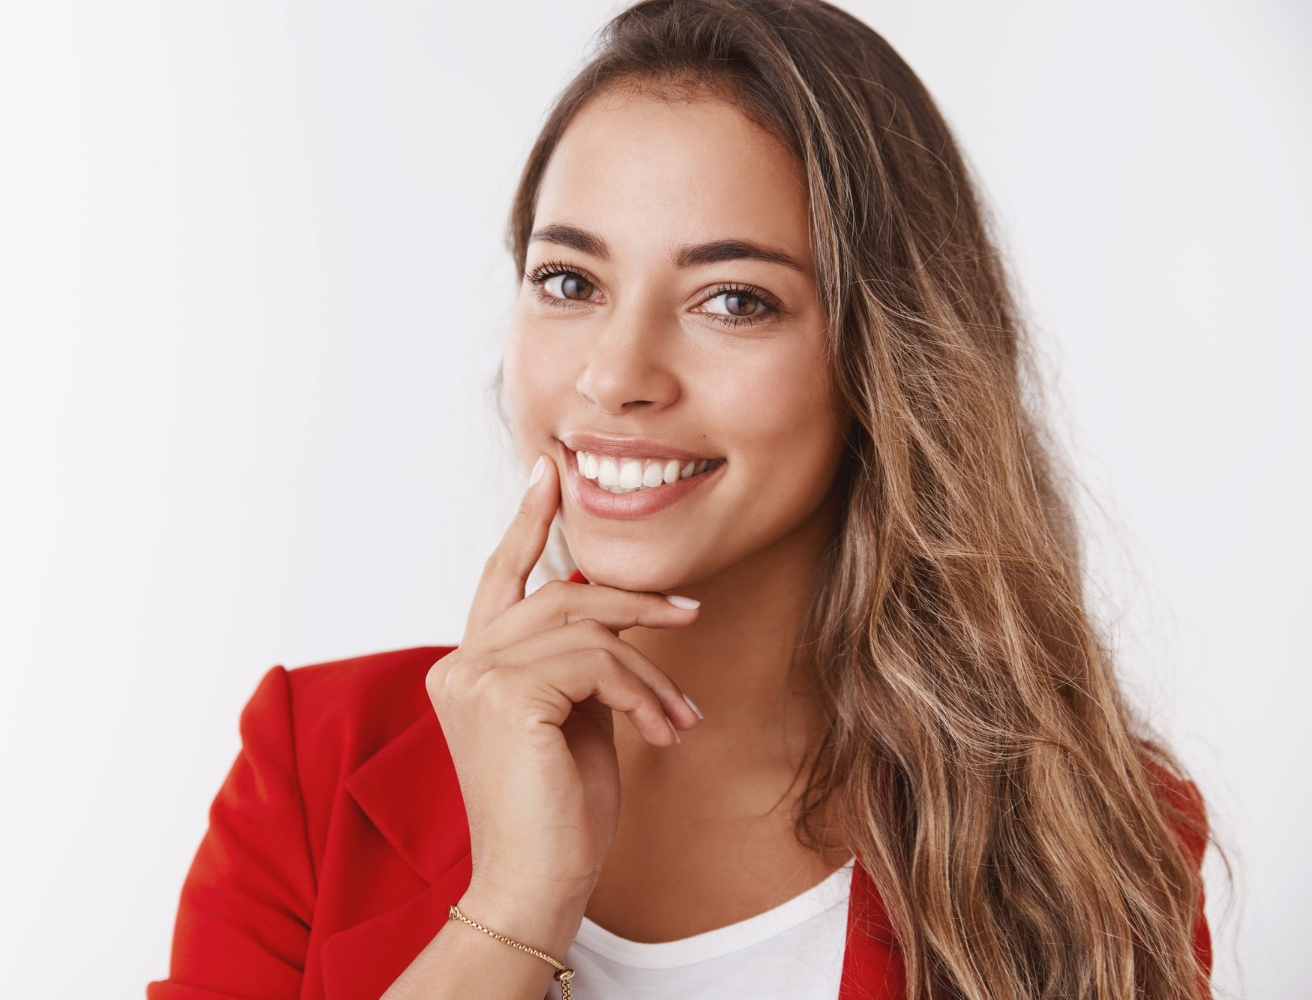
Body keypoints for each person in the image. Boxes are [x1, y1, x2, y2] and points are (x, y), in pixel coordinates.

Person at [147, 1, 1215, 998]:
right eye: (570, 282)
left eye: (734, 300)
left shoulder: (1086, 832)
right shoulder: (313, 759)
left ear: (885, 361)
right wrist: (513, 905)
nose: (616, 375)